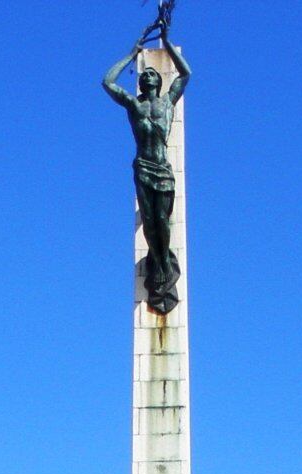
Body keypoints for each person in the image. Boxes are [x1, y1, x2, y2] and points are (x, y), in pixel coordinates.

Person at [103, 25, 191, 314]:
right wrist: (131, 55)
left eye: (152, 73)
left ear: (159, 81)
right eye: (144, 74)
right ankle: (158, 263)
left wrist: (165, 43)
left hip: (163, 169)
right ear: (140, 83)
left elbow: (186, 75)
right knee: (150, 222)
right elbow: (108, 82)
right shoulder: (134, 106)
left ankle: (164, 263)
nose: (148, 75)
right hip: (142, 167)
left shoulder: (167, 103)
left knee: (163, 222)